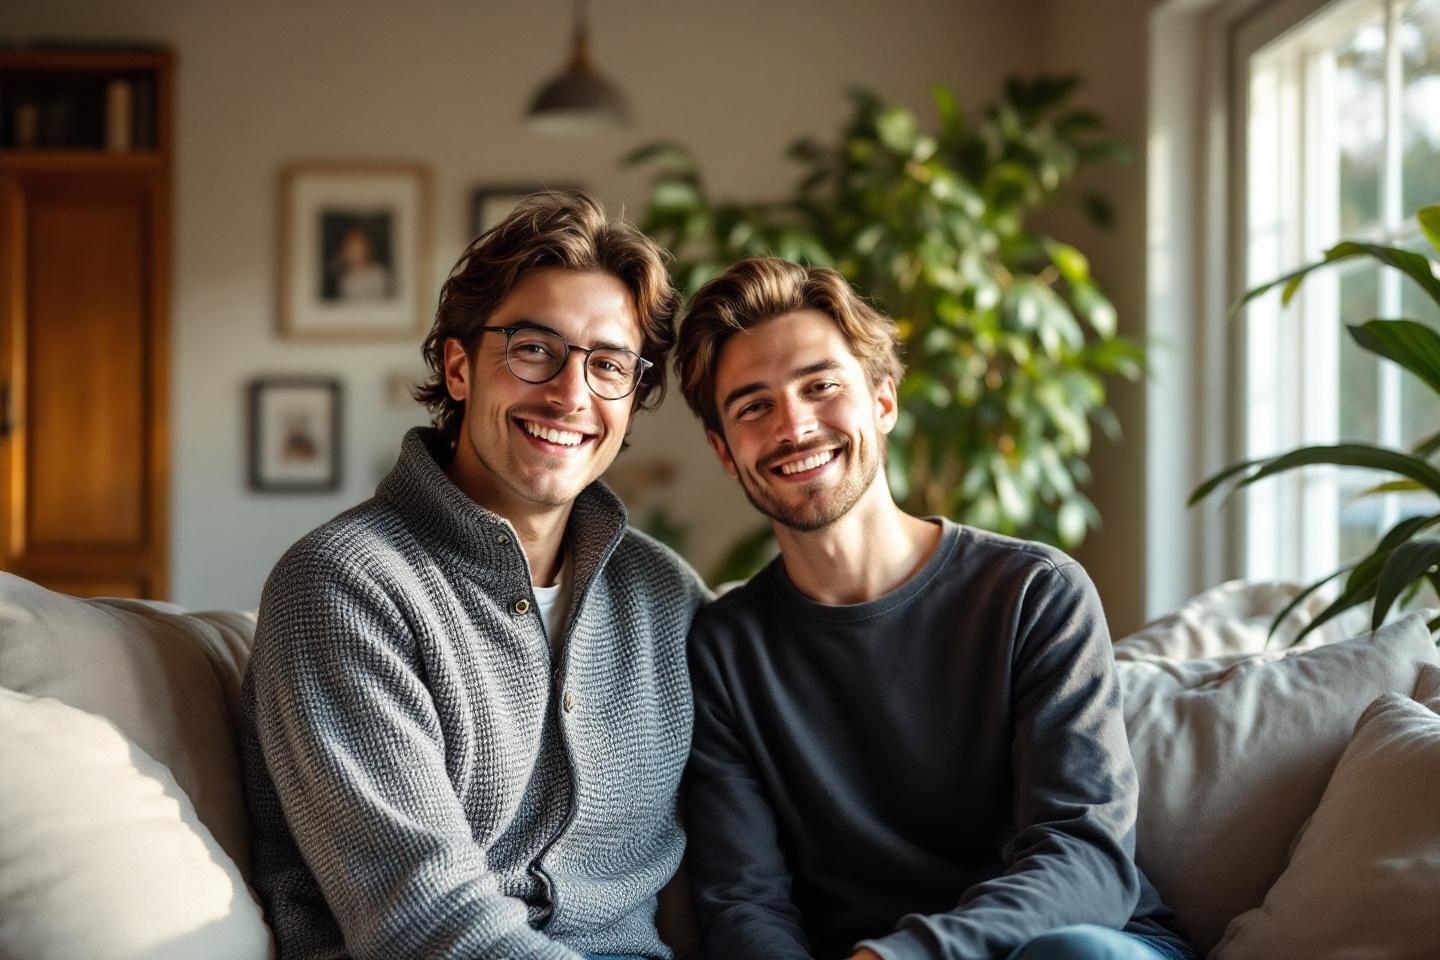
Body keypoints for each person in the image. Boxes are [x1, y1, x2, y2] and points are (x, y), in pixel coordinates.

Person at [673, 257, 1195, 960]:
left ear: (883, 401)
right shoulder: (724, 650)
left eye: (821, 386)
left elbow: (1086, 857)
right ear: (725, 452)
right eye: (754, 406)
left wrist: (901, 957)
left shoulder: (1033, 594)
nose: (794, 426)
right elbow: (744, 903)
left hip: (1077, 947)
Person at [242, 190, 708, 960]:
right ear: (459, 368)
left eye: (609, 365)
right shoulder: (341, 588)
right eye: (533, 348)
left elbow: (721, 867)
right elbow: (420, 920)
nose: (570, 393)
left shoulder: (665, 596)